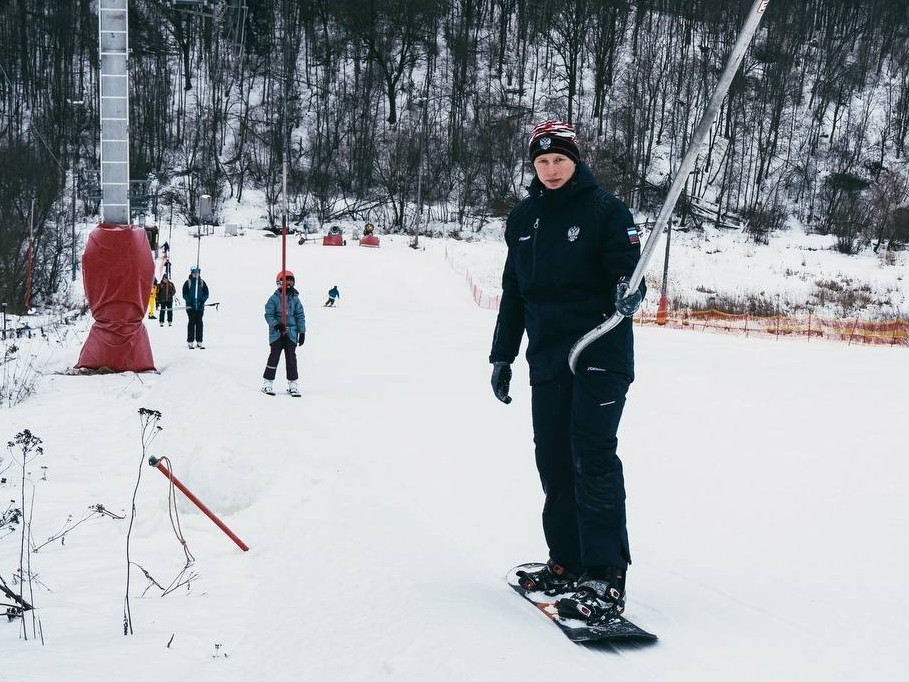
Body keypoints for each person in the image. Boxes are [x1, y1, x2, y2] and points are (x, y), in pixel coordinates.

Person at [488, 120, 645, 625]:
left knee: (591, 457)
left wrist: (629, 291)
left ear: (576, 161)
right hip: (548, 357)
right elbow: (515, 294)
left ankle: (604, 574)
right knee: (553, 459)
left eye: (559, 160)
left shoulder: (607, 211)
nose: (551, 170)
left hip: (599, 350)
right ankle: (568, 561)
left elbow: (629, 271)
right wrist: (502, 355)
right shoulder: (524, 218)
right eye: (542, 162)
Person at [262, 270, 306, 396]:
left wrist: (302, 332)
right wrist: (276, 324)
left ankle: (293, 384)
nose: (289, 283)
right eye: (286, 280)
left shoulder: (295, 299)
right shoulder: (274, 298)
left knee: (291, 358)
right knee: (274, 356)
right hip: (277, 333)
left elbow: (300, 315)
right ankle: (267, 382)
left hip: (291, 333)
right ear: (279, 282)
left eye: (291, 280)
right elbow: (268, 314)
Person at [182, 267, 210, 349]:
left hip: (200, 307)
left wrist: (202, 301)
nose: (196, 275)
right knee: (191, 322)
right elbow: (185, 294)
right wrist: (190, 302)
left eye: (197, 273)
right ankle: (190, 341)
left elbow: (206, 293)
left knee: (199, 323)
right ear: (191, 273)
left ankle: (199, 341)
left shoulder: (202, 282)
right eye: (194, 273)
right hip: (190, 307)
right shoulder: (188, 282)